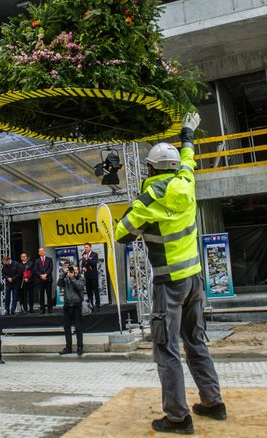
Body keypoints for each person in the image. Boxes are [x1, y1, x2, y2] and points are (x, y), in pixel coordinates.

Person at [115, 112, 226, 435]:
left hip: (169, 283)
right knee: (195, 341)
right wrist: (187, 132)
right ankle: (212, 403)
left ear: (149, 169)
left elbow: (122, 233)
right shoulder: (186, 181)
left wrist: (138, 213)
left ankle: (177, 417)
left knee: (165, 348)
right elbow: (189, 156)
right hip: (195, 279)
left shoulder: (148, 197)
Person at [57, 264, 86, 356]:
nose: (74, 271)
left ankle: (80, 346)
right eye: (73, 270)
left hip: (77, 305)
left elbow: (80, 287)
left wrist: (72, 278)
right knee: (66, 327)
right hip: (67, 305)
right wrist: (64, 274)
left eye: (76, 270)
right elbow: (59, 283)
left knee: (78, 327)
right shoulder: (66, 278)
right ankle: (68, 347)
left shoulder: (81, 279)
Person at [32, 248, 54, 313]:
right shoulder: (36, 261)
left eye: (42, 251)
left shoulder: (49, 259)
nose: (41, 252)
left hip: (48, 279)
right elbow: (35, 270)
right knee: (41, 295)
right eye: (40, 251)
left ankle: (50, 308)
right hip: (40, 280)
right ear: (38, 253)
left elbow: (51, 268)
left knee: (49, 295)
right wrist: (41, 275)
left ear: (44, 252)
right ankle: (42, 309)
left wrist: (45, 275)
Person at [81, 243, 101, 311]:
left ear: (90, 248)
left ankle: (98, 305)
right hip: (87, 276)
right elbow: (82, 264)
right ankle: (91, 305)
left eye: (87, 247)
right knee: (89, 292)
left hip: (93, 276)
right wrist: (83, 268)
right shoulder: (83, 255)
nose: (85, 248)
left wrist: (87, 259)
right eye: (85, 247)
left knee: (96, 291)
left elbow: (93, 263)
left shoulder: (94, 254)